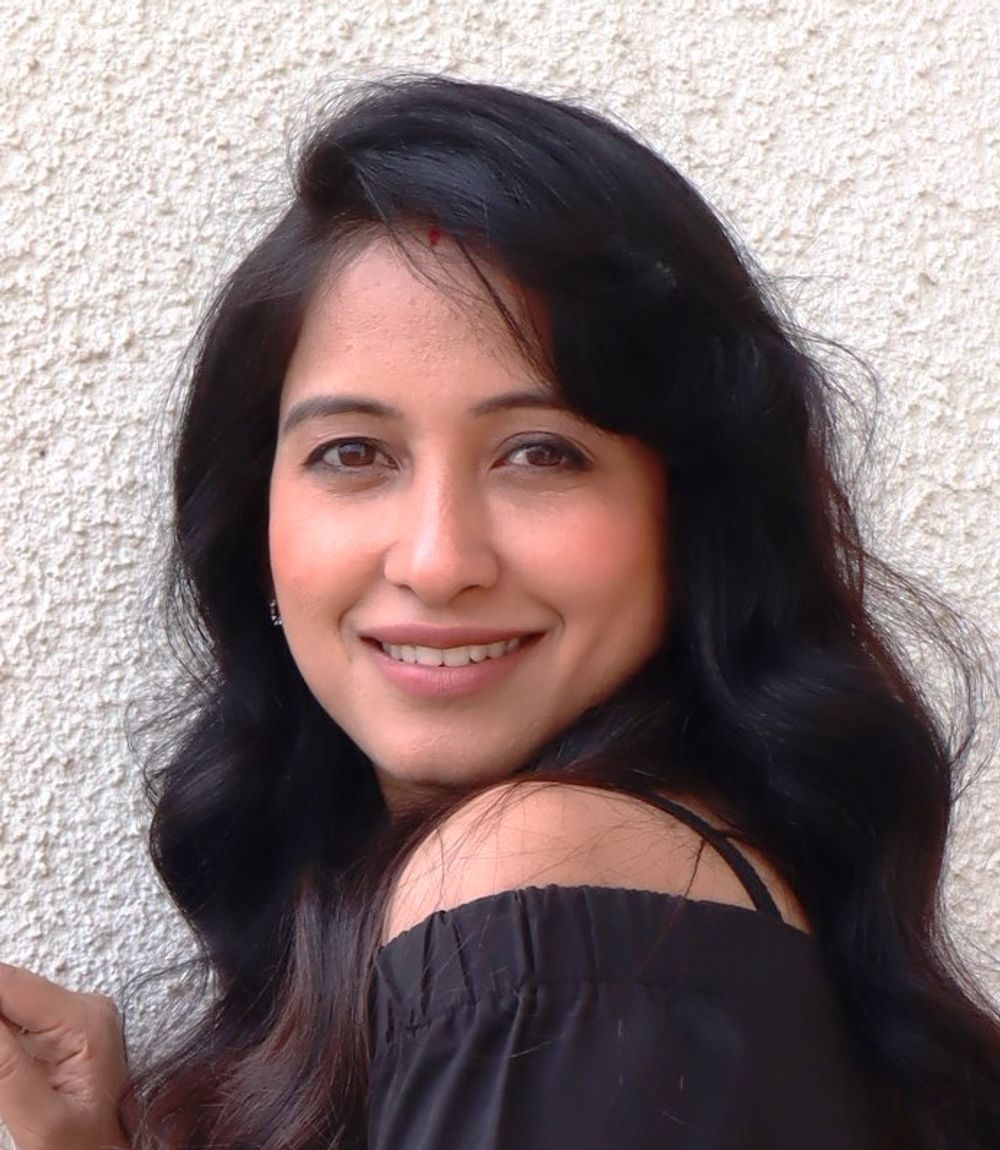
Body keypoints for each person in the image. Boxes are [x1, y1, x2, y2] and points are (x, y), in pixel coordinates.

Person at [0, 74, 998, 1150]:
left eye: (540, 453)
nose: (438, 562)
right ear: (256, 527)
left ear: (689, 515)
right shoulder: (593, 915)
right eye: (354, 452)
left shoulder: (543, 885)